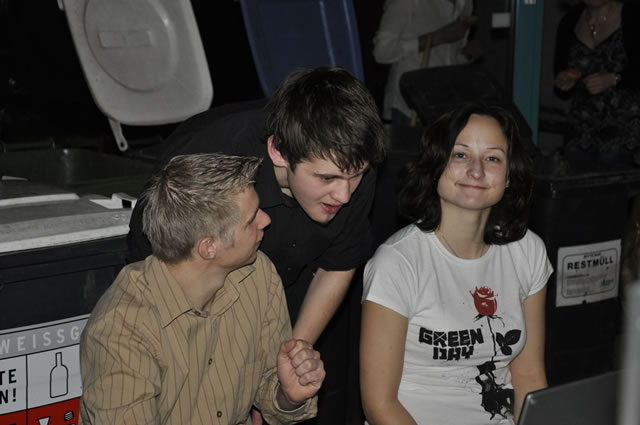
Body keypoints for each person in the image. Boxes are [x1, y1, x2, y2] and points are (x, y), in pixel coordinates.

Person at [126, 66, 386, 424]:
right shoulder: (209, 164)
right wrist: (232, 379)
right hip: (190, 297)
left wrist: (285, 362)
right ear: (278, 152)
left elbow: (338, 263)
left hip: (288, 286)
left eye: (355, 176)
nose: (344, 194)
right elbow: (162, 284)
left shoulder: (350, 159)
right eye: (326, 178)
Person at [79, 153, 325, 425]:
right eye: (251, 219)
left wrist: (288, 396)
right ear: (209, 247)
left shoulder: (257, 275)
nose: (265, 220)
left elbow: (269, 385)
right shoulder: (123, 330)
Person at [360, 103, 552, 425]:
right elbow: (380, 405)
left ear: (508, 176)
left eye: (493, 158)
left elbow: (530, 376)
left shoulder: (527, 251)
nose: (476, 170)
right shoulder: (397, 262)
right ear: (436, 166)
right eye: (460, 155)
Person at [554, 0, 640, 170]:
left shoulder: (633, 16)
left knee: (611, 177)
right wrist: (564, 81)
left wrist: (614, 79)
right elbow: (560, 73)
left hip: (625, 126)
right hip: (581, 127)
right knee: (577, 177)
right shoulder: (569, 22)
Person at [373, 0, 483, 128]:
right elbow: (381, 51)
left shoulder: (466, 3)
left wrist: (466, 56)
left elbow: (447, 58)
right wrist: (436, 38)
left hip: (444, 108)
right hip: (407, 109)